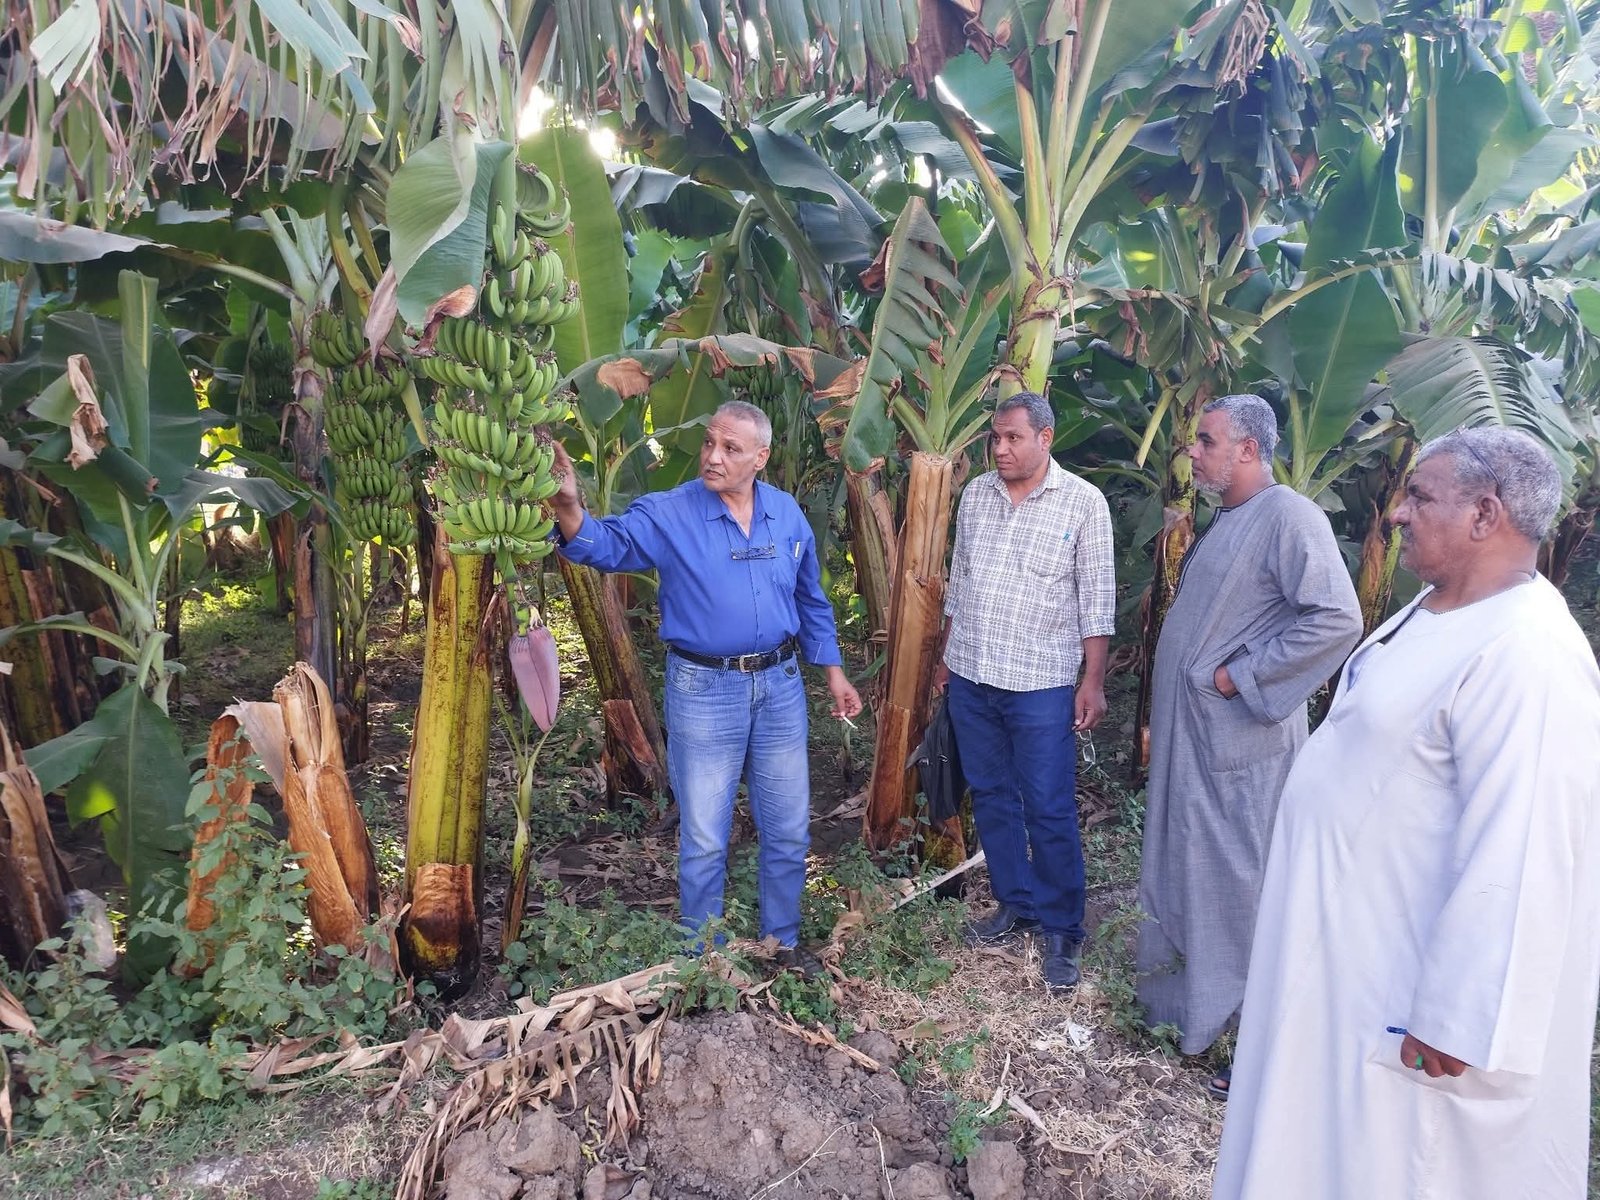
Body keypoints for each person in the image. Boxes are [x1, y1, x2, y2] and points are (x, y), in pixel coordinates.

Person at [1213, 427, 1600, 1200]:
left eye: (1420, 496)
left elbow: (1522, 847)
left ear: (1485, 516)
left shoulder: (1529, 653)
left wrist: (1458, 1016)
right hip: (1348, 960)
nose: (1396, 513)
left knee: (1396, 1165)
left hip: (1411, 1007)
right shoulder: (1436, 610)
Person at [550, 401, 862, 969]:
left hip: (781, 688)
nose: (714, 457)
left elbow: (810, 599)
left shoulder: (786, 515)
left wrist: (834, 671)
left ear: (761, 458)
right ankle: (702, 961)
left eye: (732, 449)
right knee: (704, 839)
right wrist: (570, 507)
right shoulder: (672, 512)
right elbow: (606, 545)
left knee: (789, 831)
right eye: (709, 443)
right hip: (704, 691)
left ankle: (781, 945)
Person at [1134, 394, 1361, 1088]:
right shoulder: (1231, 518)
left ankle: (1246, 1037)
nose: (1194, 453)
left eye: (1206, 441)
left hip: (1238, 749)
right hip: (1197, 744)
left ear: (1249, 449)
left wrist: (1239, 678)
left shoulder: (1290, 516)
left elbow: (1337, 618)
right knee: (1193, 870)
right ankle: (1186, 1015)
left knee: (1240, 883)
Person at [939, 390, 1116, 991]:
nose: (1001, 448)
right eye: (996, 437)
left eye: (1013, 437)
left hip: (1041, 684)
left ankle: (1063, 927)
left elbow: (1096, 601)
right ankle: (1016, 903)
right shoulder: (976, 497)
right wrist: (946, 657)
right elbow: (958, 582)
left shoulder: (1083, 504)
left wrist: (1091, 681)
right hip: (972, 673)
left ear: (1046, 438)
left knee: (1047, 804)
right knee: (991, 794)